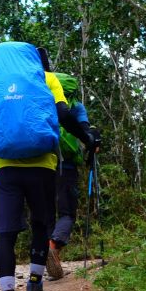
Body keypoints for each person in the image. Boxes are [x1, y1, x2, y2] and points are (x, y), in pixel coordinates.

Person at [0, 44, 93, 291]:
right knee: (41, 224)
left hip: (4, 167)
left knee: (6, 233)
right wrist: (87, 137)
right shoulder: (47, 79)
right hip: (42, 164)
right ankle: (35, 289)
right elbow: (63, 116)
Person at [45, 72, 98, 280]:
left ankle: (45, 257)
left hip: (42, 161)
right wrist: (92, 142)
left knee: (46, 211)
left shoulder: (42, 100)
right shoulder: (75, 106)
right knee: (67, 212)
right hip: (66, 165)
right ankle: (53, 246)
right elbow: (85, 132)